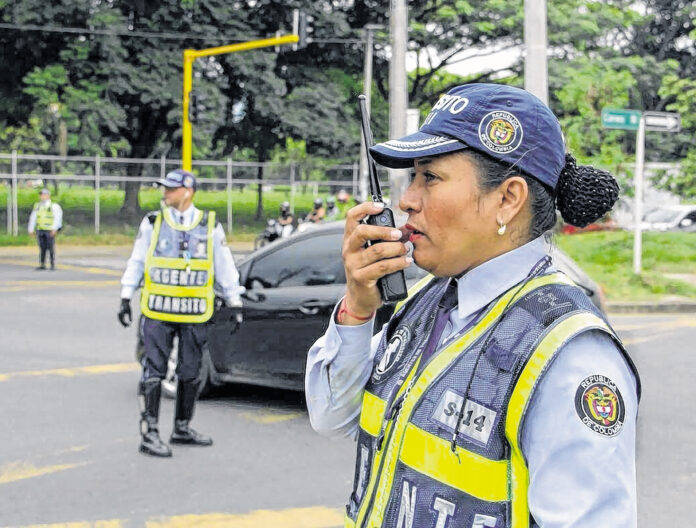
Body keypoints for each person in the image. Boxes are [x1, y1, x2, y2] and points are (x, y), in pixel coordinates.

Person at [305, 84, 641, 527]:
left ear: (507, 199)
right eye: (411, 179)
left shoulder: (569, 355)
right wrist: (358, 308)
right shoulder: (431, 298)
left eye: (431, 177)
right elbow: (332, 416)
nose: (407, 199)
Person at [117, 169, 244, 458]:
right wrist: (126, 296)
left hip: (195, 313)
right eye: (165, 188)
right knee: (154, 371)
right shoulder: (153, 222)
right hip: (158, 311)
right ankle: (149, 433)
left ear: (188, 191)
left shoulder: (210, 225)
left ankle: (182, 427)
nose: (165, 193)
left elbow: (224, 266)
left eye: (171, 189)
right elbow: (138, 260)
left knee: (189, 373)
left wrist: (234, 301)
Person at [28, 188, 63, 270]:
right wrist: (31, 229)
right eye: (41, 195)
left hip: (49, 230)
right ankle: (42, 264)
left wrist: (55, 229)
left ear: (48, 196)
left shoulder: (54, 206)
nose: (42, 196)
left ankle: (52, 264)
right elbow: (33, 218)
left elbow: (57, 218)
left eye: (44, 195)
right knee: (42, 247)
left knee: (50, 248)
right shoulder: (38, 206)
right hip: (40, 230)